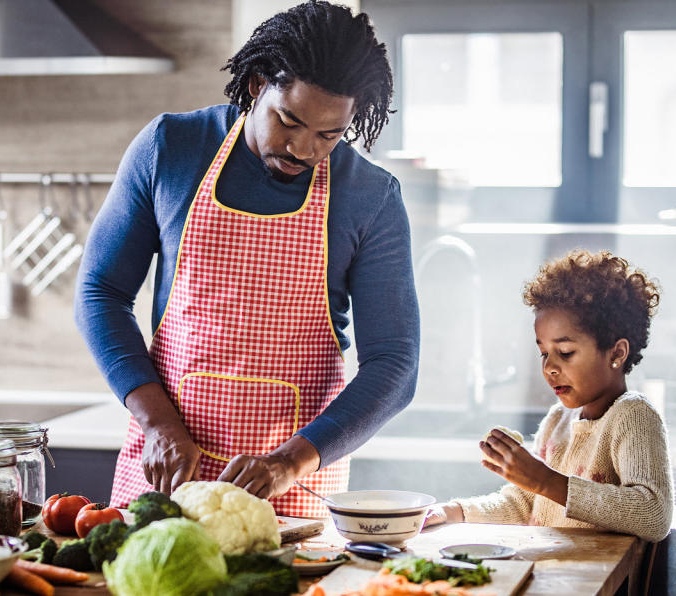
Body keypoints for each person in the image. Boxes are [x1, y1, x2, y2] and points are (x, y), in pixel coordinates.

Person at [74, 1, 418, 517]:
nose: (303, 149)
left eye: (329, 134)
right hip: (166, 471)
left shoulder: (370, 196)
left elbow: (394, 364)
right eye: (289, 120)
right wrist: (158, 424)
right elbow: (100, 291)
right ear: (258, 83)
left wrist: (290, 463)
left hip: (289, 494)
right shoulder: (171, 149)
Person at [424, 250, 674, 542]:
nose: (549, 367)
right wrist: (455, 512)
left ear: (617, 353)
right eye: (544, 352)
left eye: (565, 352)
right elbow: (524, 504)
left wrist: (546, 481)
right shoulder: (558, 419)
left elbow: (653, 513)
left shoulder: (632, 415)